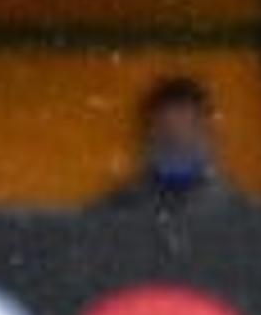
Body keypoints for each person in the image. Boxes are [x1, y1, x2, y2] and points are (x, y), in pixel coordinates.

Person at [94, 75, 246, 213]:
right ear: (148, 136)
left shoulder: (237, 211)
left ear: (208, 133)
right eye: (166, 130)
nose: (178, 139)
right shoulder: (118, 208)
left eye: (190, 128)